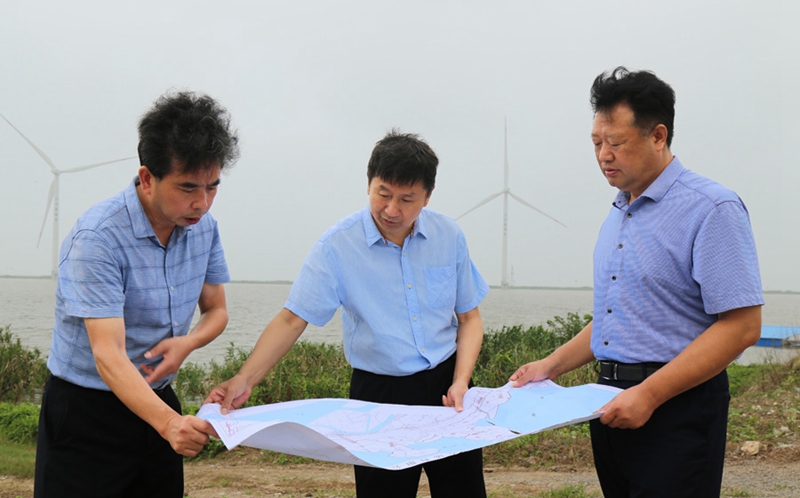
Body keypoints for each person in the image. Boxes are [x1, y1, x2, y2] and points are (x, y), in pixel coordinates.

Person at [510, 67, 764, 497]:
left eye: (616, 142)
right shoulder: (619, 212)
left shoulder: (711, 208)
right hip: (608, 402)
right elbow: (617, 319)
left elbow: (742, 326)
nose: (603, 155)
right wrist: (550, 366)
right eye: (596, 143)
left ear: (658, 135)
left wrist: (649, 394)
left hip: (676, 407)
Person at [205, 130, 489, 498]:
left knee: (463, 490)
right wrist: (244, 379)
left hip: (449, 390)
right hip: (378, 394)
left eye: (407, 199)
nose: (392, 210)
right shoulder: (337, 246)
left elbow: (469, 319)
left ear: (427, 196)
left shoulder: (448, 235)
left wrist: (461, 380)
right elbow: (292, 319)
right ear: (369, 183)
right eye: (383, 194)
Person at [34, 91, 240, 498]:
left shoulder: (204, 227)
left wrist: (187, 343)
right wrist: (170, 424)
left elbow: (216, 310)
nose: (201, 203)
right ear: (147, 178)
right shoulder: (98, 237)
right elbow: (108, 354)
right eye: (187, 187)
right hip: (87, 411)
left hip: (159, 400)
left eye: (212, 187)